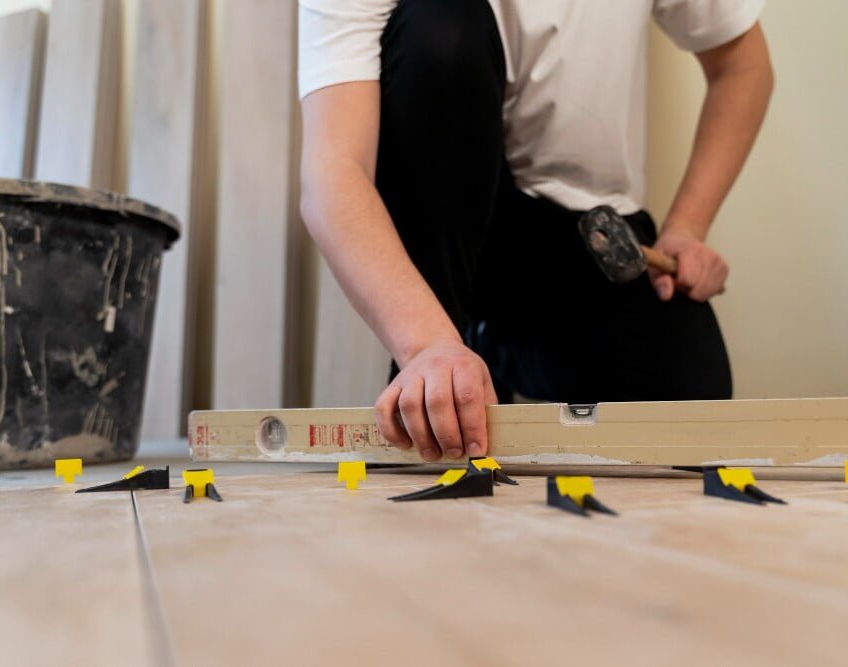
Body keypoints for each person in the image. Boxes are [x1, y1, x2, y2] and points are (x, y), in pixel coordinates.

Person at [298, 0, 773, 462]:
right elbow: (334, 172)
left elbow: (742, 68)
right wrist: (428, 346)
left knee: (689, 397)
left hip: (578, 228)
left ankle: (490, 346)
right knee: (440, 26)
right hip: (442, 238)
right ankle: (445, 360)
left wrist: (687, 226)